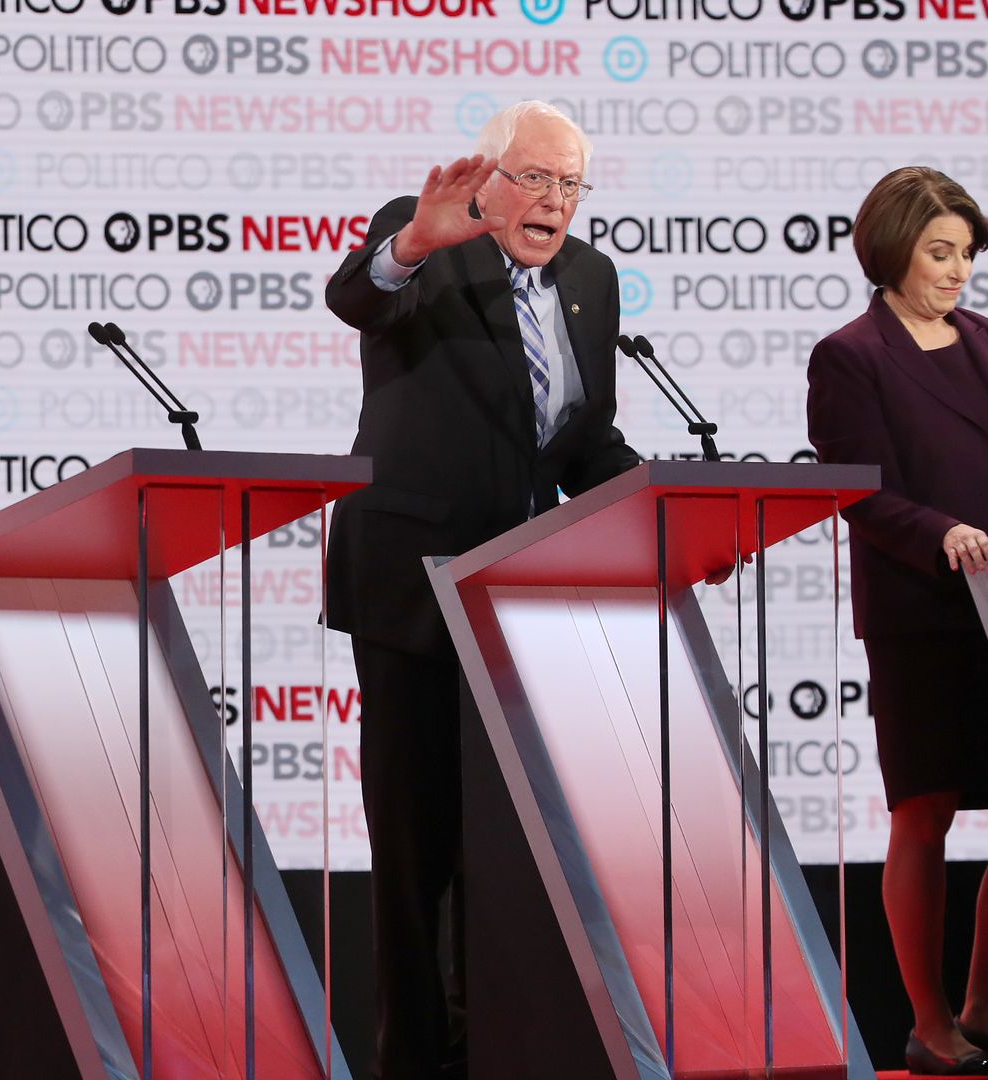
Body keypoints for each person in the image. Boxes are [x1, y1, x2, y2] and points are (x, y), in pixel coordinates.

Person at [323, 101, 641, 1077]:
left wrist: (661, 515)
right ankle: (416, 1061)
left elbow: (583, 442)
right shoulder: (421, 238)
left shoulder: (591, 279)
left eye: (572, 185)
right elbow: (357, 297)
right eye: (538, 179)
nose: (555, 201)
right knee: (418, 848)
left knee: (509, 849)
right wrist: (418, 239)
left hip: (522, 603)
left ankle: (504, 1046)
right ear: (488, 178)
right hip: (412, 583)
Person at [808, 167, 988, 1076]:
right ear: (894, 248)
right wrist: (942, 533)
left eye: (967, 253)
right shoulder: (850, 356)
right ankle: (929, 1023)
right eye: (942, 252)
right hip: (922, 617)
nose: (959, 270)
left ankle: (987, 1004)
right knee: (925, 814)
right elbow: (860, 496)